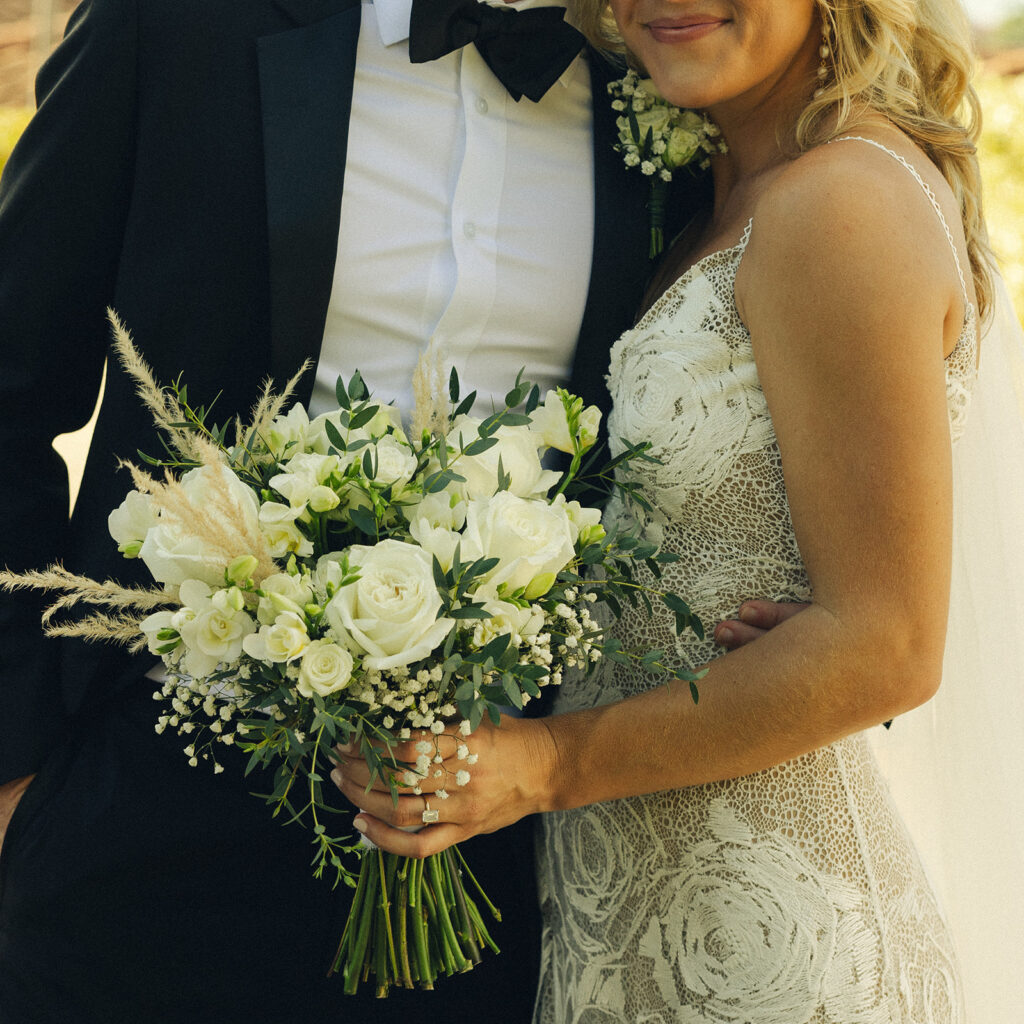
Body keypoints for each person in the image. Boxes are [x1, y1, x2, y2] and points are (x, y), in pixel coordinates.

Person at [0, 0, 731, 1019]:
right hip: (137, 812)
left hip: (486, 844)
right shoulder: (170, 25)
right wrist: (20, 779)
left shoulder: (665, 76)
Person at [333, 0, 1024, 1020]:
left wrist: (545, 764)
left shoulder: (842, 202)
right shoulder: (723, 194)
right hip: (637, 903)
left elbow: (887, 646)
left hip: (775, 942)